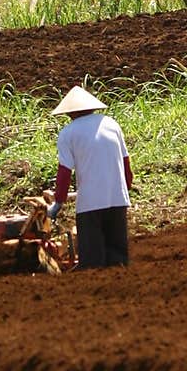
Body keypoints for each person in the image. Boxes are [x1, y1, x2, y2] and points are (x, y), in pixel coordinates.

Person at [46, 85, 132, 269]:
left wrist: (58, 203)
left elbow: (64, 172)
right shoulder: (111, 124)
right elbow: (126, 164)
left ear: (70, 112)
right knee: (118, 259)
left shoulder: (68, 133)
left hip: (90, 205)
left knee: (93, 262)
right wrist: (125, 189)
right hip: (118, 199)